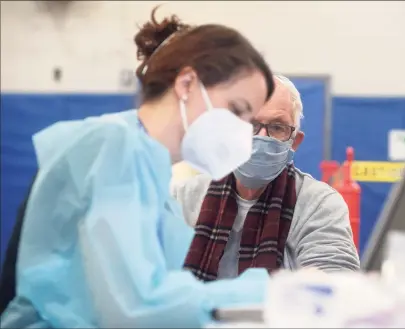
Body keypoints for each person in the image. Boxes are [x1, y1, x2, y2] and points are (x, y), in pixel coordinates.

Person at [0, 8, 276, 328]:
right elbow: (136, 305)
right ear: (187, 83)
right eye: (237, 110)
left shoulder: (154, 179)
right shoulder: (114, 145)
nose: (244, 133)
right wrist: (267, 291)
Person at [172, 75, 360, 281]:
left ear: (294, 142)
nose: (261, 136)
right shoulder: (184, 198)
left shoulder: (318, 203)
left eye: (277, 127)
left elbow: (337, 280)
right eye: (251, 124)